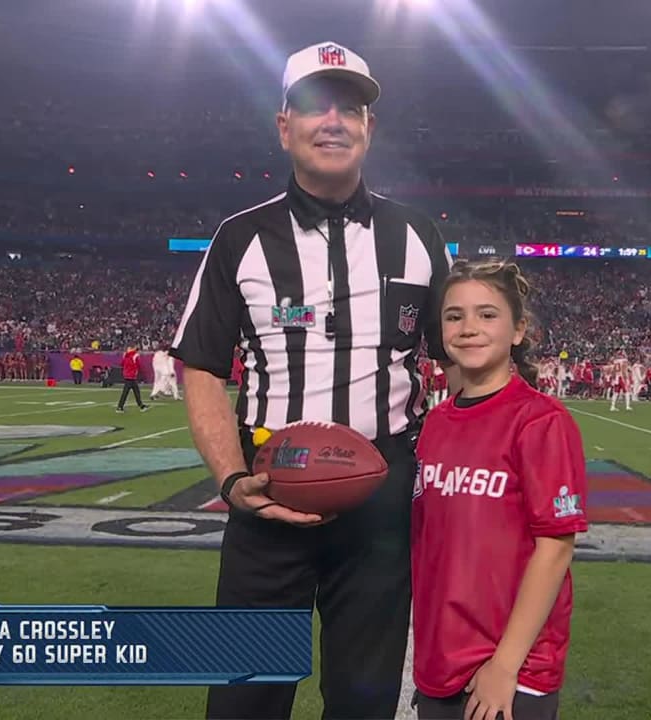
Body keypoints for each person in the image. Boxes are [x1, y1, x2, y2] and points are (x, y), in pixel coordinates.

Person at [170, 41, 455, 720]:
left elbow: (459, 355)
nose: (333, 121)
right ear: (284, 125)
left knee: (364, 698)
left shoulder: (418, 234)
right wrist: (233, 480)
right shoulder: (240, 238)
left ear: (369, 128)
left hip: (383, 493)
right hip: (270, 484)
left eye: (349, 108)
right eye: (314, 106)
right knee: (244, 698)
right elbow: (203, 365)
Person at [411, 258, 587, 720]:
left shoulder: (542, 422)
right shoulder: (435, 422)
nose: (469, 327)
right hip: (439, 660)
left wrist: (504, 667)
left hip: (511, 670)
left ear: (517, 330)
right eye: (455, 316)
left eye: (487, 315)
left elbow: (555, 549)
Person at [115, 346, 149, 413]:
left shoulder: (125, 355)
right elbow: (139, 365)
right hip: (132, 375)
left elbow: (122, 364)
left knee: (135, 391)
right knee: (127, 392)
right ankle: (120, 407)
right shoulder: (135, 355)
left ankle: (141, 406)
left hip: (127, 375)